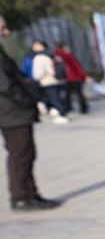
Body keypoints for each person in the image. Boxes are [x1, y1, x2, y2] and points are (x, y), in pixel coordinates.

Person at [0, 17, 59, 210]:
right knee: (20, 154)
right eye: (3, 28)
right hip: (11, 112)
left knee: (27, 153)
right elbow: (5, 86)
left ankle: (31, 193)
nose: (6, 32)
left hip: (14, 110)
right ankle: (20, 196)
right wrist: (26, 100)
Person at [29, 41, 70, 124]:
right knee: (55, 98)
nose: (33, 47)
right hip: (55, 80)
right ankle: (60, 113)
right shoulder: (51, 55)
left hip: (46, 81)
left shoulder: (39, 57)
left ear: (41, 46)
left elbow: (38, 72)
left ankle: (61, 115)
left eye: (35, 45)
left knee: (53, 99)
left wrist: (36, 78)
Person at [53, 43, 88, 114]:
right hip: (74, 78)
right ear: (63, 48)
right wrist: (84, 76)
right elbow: (77, 67)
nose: (68, 49)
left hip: (68, 78)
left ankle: (69, 108)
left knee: (69, 94)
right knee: (77, 94)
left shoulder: (58, 56)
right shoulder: (67, 56)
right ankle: (83, 109)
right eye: (66, 48)